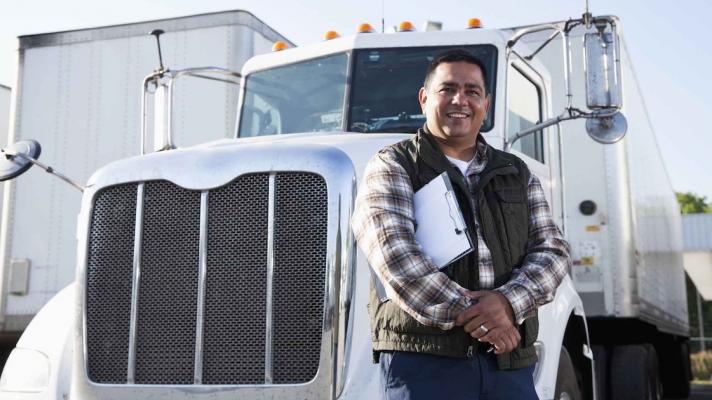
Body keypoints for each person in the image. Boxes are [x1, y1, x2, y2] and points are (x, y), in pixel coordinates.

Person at [351, 49, 571, 400]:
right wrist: (485, 319)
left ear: (486, 103)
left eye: (471, 91)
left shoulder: (517, 172)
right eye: (447, 89)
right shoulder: (392, 165)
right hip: (425, 362)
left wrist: (507, 304)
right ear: (424, 99)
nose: (460, 100)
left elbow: (553, 252)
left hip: (508, 362)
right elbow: (395, 257)